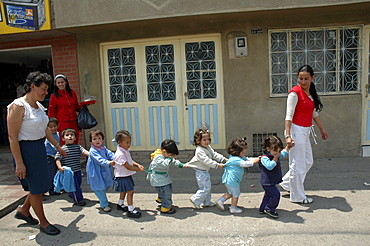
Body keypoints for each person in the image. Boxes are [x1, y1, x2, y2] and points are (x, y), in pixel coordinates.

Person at [7, 71, 66, 235]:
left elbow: (45, 128)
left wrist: (57, 146)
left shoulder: (39, 106)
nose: (46, 93)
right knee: (35, 188)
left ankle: (24, 211)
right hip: (26, 151)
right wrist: (19, 162)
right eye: (44, 89)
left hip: (39, 149)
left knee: (39, 186)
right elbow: (12, 137)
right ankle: (44, 223)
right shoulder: (18, 106)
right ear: (32, 87)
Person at [280, 65, 328, 204]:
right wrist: (288, 135)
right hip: (296, 130)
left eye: (306, 78)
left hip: (306, 131)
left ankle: (288, 184)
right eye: (301, 78)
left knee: (308, 161)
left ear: (312, 78)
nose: (303, 81)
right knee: (298, 164)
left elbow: (314, 113)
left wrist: (322, 129)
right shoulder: (294, 93)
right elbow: (288, 116)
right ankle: (298, 196)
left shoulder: (310, 94)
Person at [215, 137, 260, 214]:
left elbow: (248, 159)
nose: (244, 154)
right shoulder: (235, 159)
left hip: (230, 180)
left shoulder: (236, 157)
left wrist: (257, 158)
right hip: (232, 180)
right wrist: (255, 162)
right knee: (236, 194)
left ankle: (220, 201)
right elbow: (245, 164)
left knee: (231, 193)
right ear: (236, 152)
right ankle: (233, 208)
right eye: (243, 152)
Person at [187, 128, 227, 209]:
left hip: (205, 171)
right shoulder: (199, 151)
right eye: (204, 140)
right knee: (205, 188)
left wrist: (223, 159)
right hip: (201, 173)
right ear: (198, 141)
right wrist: (217, 165)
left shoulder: (207, 147)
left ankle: (207, 202)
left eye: (208, 139)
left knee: (207, 187)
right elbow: (207, 161)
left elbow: (214, 154)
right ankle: (195, 199)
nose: (207, 142)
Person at [146, 139, 186, 215]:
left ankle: (161, 198)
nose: (171, 157)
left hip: (162, 178)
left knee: (165, 190)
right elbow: (165, 164)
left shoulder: (165, 156)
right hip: (159, 180)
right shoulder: (158, 158)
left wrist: (180, 164)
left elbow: (172, 161)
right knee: (166, 192)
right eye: (171, 155)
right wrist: (170, 158)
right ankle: (165, 207)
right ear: (164, 152)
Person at [113, 130, 145, 218]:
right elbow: (127, 166)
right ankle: (131, 210)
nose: (129, 144)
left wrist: (137, 164)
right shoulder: (120, 154)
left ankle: (120, 204)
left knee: (124, 190)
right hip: (122, 176)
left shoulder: (125, 150)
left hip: (125, 175)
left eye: (129, 142)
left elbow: (130, 161)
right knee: (130, 192)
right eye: (127, 142)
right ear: (119, 142)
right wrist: (138, 169)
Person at [259, 135, 291, 219]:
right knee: (276, 194)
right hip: (267, 182)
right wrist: (275, 159)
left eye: (279, 151)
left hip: (271, 181)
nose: (278, 153)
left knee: (268, 195)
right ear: (268, 149)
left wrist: (288, 148)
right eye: (275, 150)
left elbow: (283, 154)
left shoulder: (276, 155)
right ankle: (270, 209)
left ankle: (263, 208)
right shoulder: (264, 158)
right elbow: (270, 166)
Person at [55, 128, 89, 206]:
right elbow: (57, 159)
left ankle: (71, 193)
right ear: (63, 138)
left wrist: (92, 154)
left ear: (75, 137)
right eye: (67, 135)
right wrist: (60, 167)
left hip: (77, 170)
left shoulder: (78, 147)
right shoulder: (62, 149)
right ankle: (78, 200)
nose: (70, 137)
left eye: (72, 135)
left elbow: (84, 152)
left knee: (78, 183)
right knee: (75, 186)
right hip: (69, 173)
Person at [86, 129, 115, 212]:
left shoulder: (103, 148)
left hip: (104, 171)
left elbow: (110, 154)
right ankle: (104, 204)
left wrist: (116, 157)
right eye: (94, 139)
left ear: (102, 139)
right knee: (99, 188)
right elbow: (99, 160)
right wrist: (109, 163)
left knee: (107, 184)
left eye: (99, 138)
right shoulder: (93, 151)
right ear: (91, 141)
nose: (97, 141)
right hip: (95, 172)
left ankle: (102, 198)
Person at [48, 74, 82, 144]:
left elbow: (76, 107)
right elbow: (51, 111)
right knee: (64, 142)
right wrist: (52, 124)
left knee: (74, 141)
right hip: (62, 123)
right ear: (56, 84)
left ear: (66, 82)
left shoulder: (72, 93)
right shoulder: (54, 96)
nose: (61, 84)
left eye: (62, 82)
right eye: (58, 83)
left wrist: (84, 106)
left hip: (73, 121)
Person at [44, 117, 60, 195]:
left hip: (57, 157)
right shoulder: (49, 137)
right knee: (52, 174)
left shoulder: (58, 134)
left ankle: (58, 187)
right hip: (49, 158)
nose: (53, 128)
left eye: (55, 126)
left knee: (58, 173)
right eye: (50, 127)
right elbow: (55, 146)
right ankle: (51, 190)